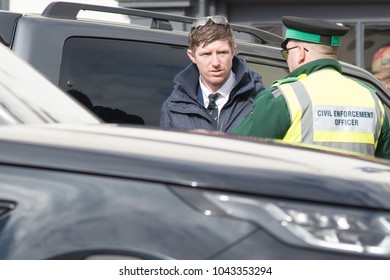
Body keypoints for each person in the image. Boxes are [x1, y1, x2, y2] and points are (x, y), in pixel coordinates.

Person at [234, 16, 390, 159]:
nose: (287, 60)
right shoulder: (372, 99)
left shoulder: (283, 98)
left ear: (300, 52)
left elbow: (237, 153)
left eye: (287, 54)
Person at [160, 15, 265, 133]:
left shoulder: (259, 100)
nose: (215, 62)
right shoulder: (174, 107)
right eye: (206, 54)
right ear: (192, 56)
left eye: (222, 52)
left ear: (233, 52)